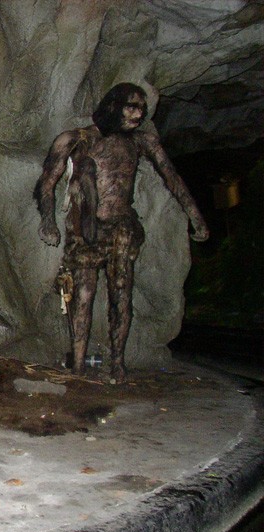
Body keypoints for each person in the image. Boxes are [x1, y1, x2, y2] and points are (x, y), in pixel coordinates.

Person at [33, 82, 209, 383]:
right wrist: (48, 221)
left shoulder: (141, 142)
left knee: (122, 294)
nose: (138, 115)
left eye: (142, 109)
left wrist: (195, 216)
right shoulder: (76, 139)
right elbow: (47, 183)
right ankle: (78, 365)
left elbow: (171, 176)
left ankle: (117, 364)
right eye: (132, 107)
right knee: (83, 295)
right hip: (86, 228)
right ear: (114, 106)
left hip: (122, 228)